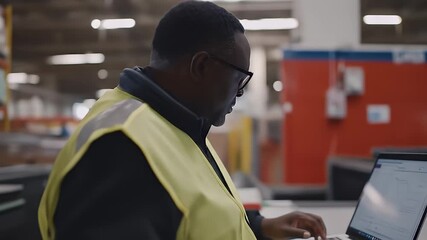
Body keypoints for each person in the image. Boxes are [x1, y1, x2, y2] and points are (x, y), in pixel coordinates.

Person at [38, 1, 327, 240]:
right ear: (201, 66)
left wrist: (258, 227)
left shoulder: (178, 125)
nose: (240, 94)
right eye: (239, 80)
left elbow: (186, 213)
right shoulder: (121, 147)